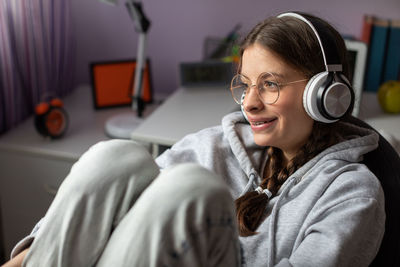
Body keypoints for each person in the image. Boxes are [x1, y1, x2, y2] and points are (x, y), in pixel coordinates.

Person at [3, 11, 385, 267]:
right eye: (246, 85)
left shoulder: (353, 194)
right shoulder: (215, 145)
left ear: (328, 96)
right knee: (117, 157)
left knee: (192, 188)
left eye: (270, 85)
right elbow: (117, 207)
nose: (249, 104)